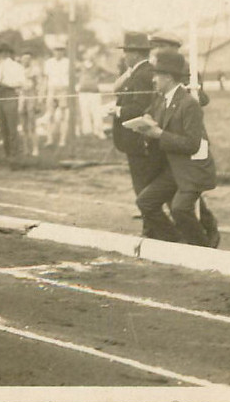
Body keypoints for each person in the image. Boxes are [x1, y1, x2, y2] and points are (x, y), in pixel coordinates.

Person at [127, 49, 219, 247]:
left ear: (168, 77)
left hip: (191, 169)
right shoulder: (162, 100)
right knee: (145, 202)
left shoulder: (188, 104)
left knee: (180, 209)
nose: (153, 80)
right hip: (172, 169)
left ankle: (203, 249)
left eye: (156, 75)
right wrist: (145, 123)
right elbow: (149, 115)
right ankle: (174, 242)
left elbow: (193, 144)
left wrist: (160, 135)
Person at [111, 32, 159, 224]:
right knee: (142, 180)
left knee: (142, 181)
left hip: (137, 137)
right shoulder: (139, 72)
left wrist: (117, 110)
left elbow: (139, 107)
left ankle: (151, 224)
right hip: (136, 136)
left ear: (136, 54)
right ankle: (150, 220)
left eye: (126, 52)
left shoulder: (141, 75)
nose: (124, 56)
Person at [0, 45, 25, 157]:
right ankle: (7, 152)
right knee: (3, 124)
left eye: (4, 53)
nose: (2, 55)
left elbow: (21, 82)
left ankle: (14, 152)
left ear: (9, 53)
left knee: (12, 124)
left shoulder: (17, 67)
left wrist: (6, 84)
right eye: (0, 53)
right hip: (0, 95)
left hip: (10, 94)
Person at [149, 31, 209, 106]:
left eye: (162, 46)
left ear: (175, 48)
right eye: (154, 47)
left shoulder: (187, 68)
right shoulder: (155, 66)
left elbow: (201, 98)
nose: (157, 50)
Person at [76, 47, 108, 139]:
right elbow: (73, 73)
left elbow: (108, 73)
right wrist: (80, 78)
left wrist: (100, 78)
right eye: (88, 54)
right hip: (83, 91)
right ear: (84, 56)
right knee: (84, 112)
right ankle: (87, 131)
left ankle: (98, 131)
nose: (90, 56)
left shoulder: (97, 66)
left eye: (92, 55)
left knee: (96, 112)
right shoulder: (80, 66)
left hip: (94, 91)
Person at [43, 45, 70, 147]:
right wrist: (43, 92)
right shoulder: (48, 62)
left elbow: (72, 78)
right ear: (53, 51)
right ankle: (49, 139)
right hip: (52, 89)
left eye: (61, 50)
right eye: (56, 50)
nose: (58, 52)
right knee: (50, 115)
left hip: (63, 90)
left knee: (63, 116)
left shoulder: (68, 62)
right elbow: (46, 78)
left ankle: (62, 140)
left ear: (63, 52)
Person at [18, 51, 44, 156]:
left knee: (32, 124)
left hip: (32, 96)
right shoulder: (18, 70)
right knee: (23, 124)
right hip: (22, 97)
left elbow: (39, 86)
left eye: (28, 59)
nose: (26, 61)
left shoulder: (35, 70)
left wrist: (38, 101)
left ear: (31, 60)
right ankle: (25, 149)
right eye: (24, 59)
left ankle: (35, 148)